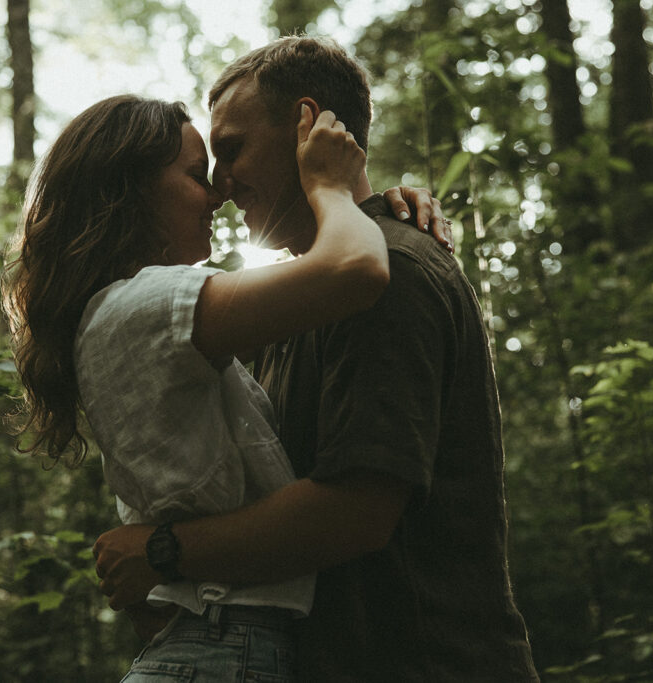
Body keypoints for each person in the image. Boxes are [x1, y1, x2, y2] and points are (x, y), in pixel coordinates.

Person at [93, 36, 540, 681]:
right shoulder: (305, 300)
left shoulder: (390, 277)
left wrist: (164, 551)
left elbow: (355, 513)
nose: (220, 184)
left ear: (308, 128)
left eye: (232, 149)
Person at [3, 94, 442, 680]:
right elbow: (351, 271)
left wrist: (379, 207)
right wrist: (335, 192)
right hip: (221, 652)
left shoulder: (128, 317)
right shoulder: (146, 305)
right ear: (128, 192)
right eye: (193, 175)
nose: (216, 194)